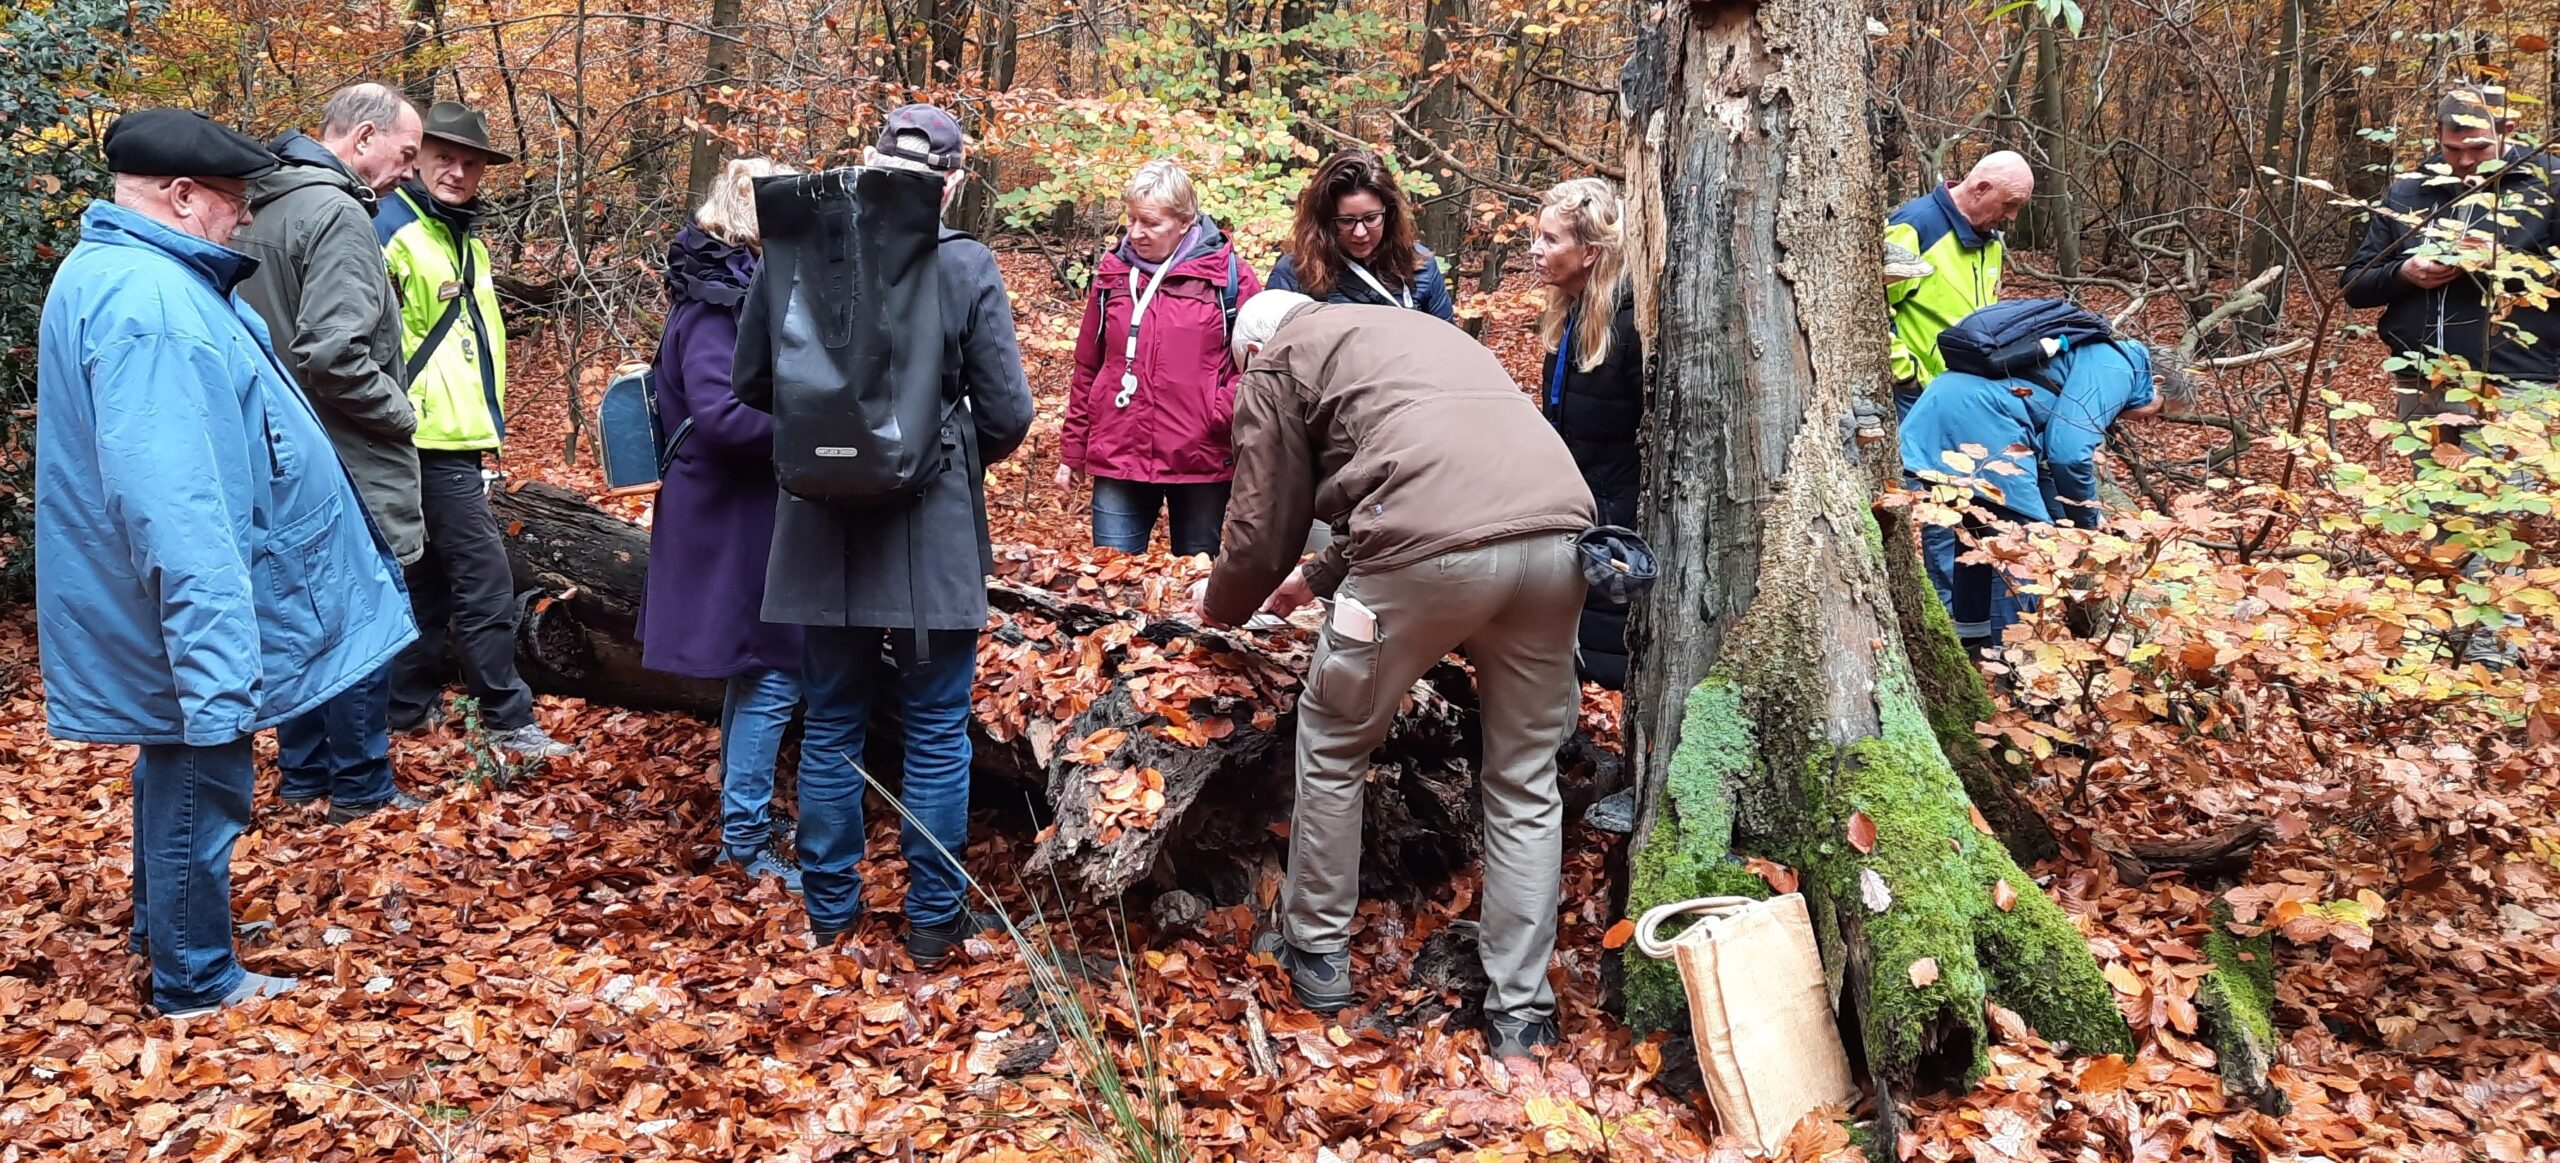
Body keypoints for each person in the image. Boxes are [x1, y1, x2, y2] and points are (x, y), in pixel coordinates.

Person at [36, 109, 414, 1015]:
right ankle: (195, 975)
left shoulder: (133, 276)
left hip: (159, 598)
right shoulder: (151, 306)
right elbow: (179, 510)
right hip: (182, 605)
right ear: (180, 196)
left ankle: (167, 931)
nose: (246, 218)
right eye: (235, 200)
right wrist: (216, 665)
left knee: (181, 772)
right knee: (203, 772)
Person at [1196, 290, 1595, 1060]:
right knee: (1523, 777)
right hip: (1560, 541)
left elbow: (1261, 521)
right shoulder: (1409, 333)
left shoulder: (1277, 358)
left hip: (1428, 555)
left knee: (1336, 738)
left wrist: (1222, 605)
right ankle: (1522, 1013)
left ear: (1254, 348)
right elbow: (1414, 466)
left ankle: (1315, 954)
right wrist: (1314, 579)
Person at [735, 105, 1036, 964]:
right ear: (954, 180)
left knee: (831, 723)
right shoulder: (965, 263)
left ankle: (832, 917)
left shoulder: (799, 251)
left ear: (868, 164)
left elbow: (751, 378)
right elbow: (1009, 409)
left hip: (822, 518)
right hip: (931, 520)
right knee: (937, 727)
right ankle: (933, 925)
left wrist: (835, 442)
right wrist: (946, 450)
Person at [233, 82, 433, 823]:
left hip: (276, 455)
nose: (407, 172)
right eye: (404, 154)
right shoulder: (340, 216)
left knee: (301, 612)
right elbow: (334, 354)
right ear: (363, 139)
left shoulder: (262, 205)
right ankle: (361, 787)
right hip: (343, 455)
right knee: (361, 616)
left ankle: (304, 775)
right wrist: (401, 412)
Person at [379, 101, 574, 758]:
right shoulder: (392, 230)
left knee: (427, 581)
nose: (458, 172)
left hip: (456, 440)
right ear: (417, 158)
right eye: (445, 159)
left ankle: (406, 706)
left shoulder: (465, 241)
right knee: (486, 579)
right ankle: (506, 718)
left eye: (470, 163)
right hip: (419, 441)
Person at [637, 157, 806, 892]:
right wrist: (822, 426)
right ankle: (745, 836)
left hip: (742, 507)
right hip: (727, 510)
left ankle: (749, 823)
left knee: (760, 665)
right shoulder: (716, 301)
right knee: (773, 667)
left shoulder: (735, 287)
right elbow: (725, 416)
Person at [1899, 333, 2191, 648]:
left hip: (1947, 410)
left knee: (1977, 541)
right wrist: (2087, 523)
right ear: (2156, 383)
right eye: (2160, 412)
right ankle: (2012, 662)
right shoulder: (2117, 369)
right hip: (1984, 423)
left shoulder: (2099, 358)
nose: (2151, 423)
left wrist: (2076, 512)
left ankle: (1973, 645)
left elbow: (2050, 461)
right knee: (2023, 550)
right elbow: (2069, 453)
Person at [1054, 160, 1261, 557]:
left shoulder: (1229, 277)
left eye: (1150, 223)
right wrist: (1073, 450)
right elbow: (1089, 366)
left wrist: (1217, 412)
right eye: (1130, 220)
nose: (1135, 233)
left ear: (1184, 221)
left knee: (1196, 582)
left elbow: (1259, 364)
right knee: (1109, 581)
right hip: (1119, 453)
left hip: (1200, 458)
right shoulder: (1112, 273)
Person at [2342, 86, 2560, 453]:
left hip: (2512, 380)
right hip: (2422, 379)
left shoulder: (2549, 183)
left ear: (2506, 130)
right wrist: (2404, 273)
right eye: (2453, 149)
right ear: (2437, 134)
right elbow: (2355, 285)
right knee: (2428, 506)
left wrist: (2499, 264)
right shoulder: (2411, 189)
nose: (2465, 162)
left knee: (2500, 505)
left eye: (2478, 149)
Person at [1529, 177, 1642, 690]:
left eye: (1551, 241)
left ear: (1591, 252)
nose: (1536, 250)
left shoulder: (1631, 324)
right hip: (1575, 504)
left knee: (1608, 666)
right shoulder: (1568, 313)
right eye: (1538, 236)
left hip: (1618, 517)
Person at [1884, 150, 2033, 411]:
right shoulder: (1915, 226)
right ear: (1981, 189)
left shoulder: (1993, 242)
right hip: (1916, 394)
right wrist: (1905, 376)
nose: (2012, 216)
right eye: (2010, 204)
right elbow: (1870, 309)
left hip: (1969, 390)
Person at [1266, 150, 1456, 322]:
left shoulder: (1419, 266)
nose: (1360, 233)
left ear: (1388, 213)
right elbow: (1276, 352)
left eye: (1371, 218)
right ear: (1325, 219)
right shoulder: (1296, 273)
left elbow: (1448, 345)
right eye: (1346, 220)